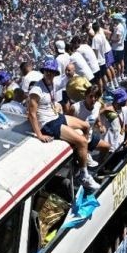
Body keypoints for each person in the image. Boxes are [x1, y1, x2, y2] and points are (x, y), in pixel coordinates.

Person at [27, 59, 101, 190]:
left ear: (55, 73)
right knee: (82, 141)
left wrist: (71, 69)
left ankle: (84, 156)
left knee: (86, 126)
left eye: (52, 72)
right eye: (47, 71)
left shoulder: (52, 82)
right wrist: (39, 135)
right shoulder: (36, 90)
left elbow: (67, 77)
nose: (49, 73)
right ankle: (84, 175)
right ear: (44, 72)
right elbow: (32, 113)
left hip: (56, 116)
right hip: (48, 124)